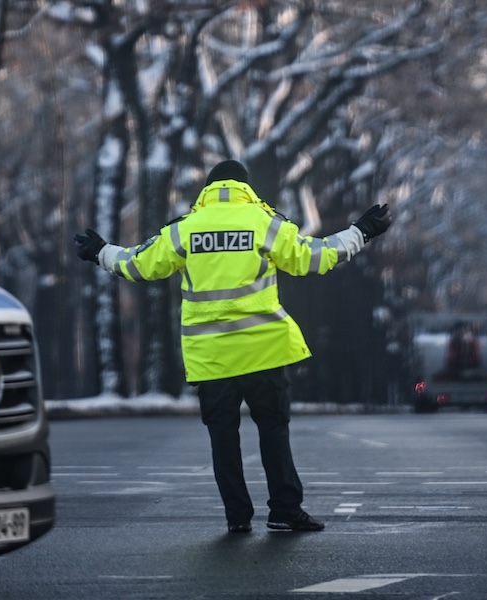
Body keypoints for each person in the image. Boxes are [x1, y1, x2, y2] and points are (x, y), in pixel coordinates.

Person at [73, 159, 392, 533]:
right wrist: (361, 231)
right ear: (246, 187)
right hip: (264, 351)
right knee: (273, 431)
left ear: (207, 189)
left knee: (223, 439)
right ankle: (285, 510)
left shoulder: (185, 229)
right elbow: (314, 257)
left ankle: (237, 517)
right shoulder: (264, 223)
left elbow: (140, 264)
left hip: (210, 357)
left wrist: (100, 252)